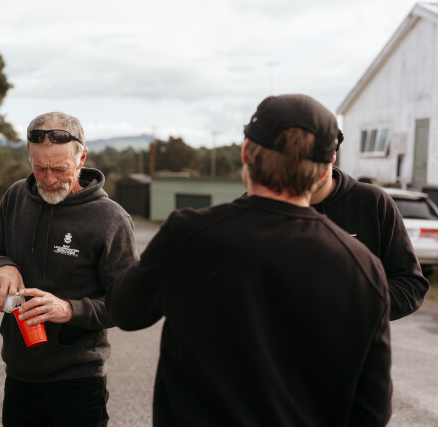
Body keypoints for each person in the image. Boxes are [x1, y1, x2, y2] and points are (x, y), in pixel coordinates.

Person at [106, 94, 392, 426]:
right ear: (325, 168)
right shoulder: (362, 267)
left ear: (245, 153)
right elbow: (373, 412)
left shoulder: (188, 235)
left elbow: (124, 311)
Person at [0, 111, 138, 427]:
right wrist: (2, 266)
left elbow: (128, 304)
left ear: (81, 158)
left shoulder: (111, 219)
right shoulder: (16, 197)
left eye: (59, 169)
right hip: (19, 375)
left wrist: (69, 309)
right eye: (39, 168)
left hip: (78, 382)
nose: (48, 179)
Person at [310, 151, 428, 320]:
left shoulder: (373, 202)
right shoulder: (273, 209)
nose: (305, 164)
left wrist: (354, 305)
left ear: (333, 153)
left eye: (313, 152)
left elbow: (411, 285)